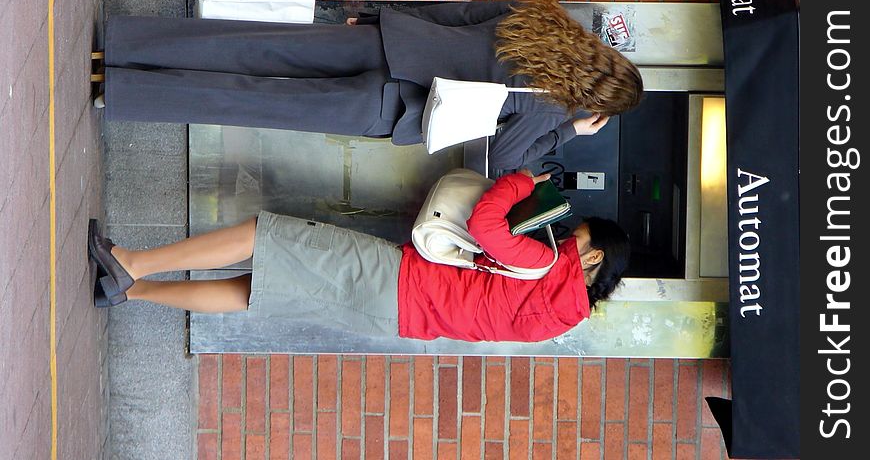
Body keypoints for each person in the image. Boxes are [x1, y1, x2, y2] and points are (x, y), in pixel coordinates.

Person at [101, 0, 643, 170]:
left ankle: (123, 45)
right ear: (598, 101)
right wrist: (572, 134)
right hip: (394, 107)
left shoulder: (544, 22)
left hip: (391, 44)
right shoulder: (550, 108)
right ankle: (121, 90)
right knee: (253, 102)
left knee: (253, 42)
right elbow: (501, 159)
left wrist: (382, 14)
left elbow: (458, 14)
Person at [89, 170, 630, 343]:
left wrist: (520, 183)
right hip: (394, 319)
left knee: (265, 236)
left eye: (577, 236)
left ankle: (133, 264)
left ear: (593, 257)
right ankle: (131, 291)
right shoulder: (558, 323)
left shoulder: (548, 265)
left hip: (395, 279)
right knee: (252, 292)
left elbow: (488, 225)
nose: (565, 236)